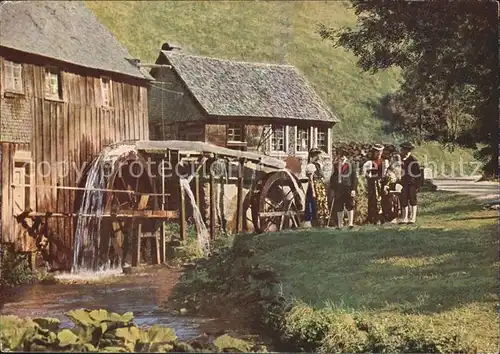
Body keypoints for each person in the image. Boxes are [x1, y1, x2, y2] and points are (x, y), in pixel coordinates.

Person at [330, 149, 357, 229]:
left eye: (343, 155)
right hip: (339, 188)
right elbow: (333, 176)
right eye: (340, 155)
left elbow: (354, 177)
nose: (342, 157)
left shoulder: (351, 164)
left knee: (350, 204)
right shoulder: (336, 164)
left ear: (346, 156)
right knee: (339, 205)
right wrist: (333, 186)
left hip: (348, 187)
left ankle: (350, 223)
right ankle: (340, 224)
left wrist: (353, 189)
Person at [303, 147, 329, 227]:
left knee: (322, 202)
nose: (319, 157)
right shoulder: (310, 166)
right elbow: (310, 179)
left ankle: (322, 222)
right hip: (314, 185)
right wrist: (313, 191)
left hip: (319, 185)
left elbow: (322, 176)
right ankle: (316, 222)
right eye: (317, 155)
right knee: (315, 203)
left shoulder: (318, 165)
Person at [362, 144, 387, 224]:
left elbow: (385, 173)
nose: (379, 153)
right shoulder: (369, 162)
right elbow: (364, 173)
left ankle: (381, 217)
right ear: (374, 152)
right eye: (377, 152)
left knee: (381, 199)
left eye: (380, 152)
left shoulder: (384, 161)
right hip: (372, 183)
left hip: (382, 183)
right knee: (372, 200)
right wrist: (368, 176)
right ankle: (372, 217)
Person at [399, 142, 421, 224]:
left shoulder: (414, 161)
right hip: (403, 183)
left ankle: (413, 217)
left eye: (407, 152)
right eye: (404, 151)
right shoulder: (399, 160)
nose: (405, 153)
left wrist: (417, 185)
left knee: (413, 200)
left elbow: (418, 175)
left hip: (412, 183)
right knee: (404, 200)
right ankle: (405, 217)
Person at [381, 152, 402, 223]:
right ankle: (389, 215)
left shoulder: (399, 169)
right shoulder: (389, 169)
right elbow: (386, 178)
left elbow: (399, 180)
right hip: (389, 187)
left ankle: (394, 215)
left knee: (394, 199)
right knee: (388, 200)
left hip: (395, 187)